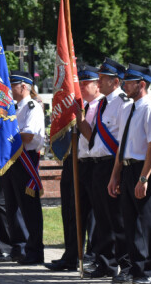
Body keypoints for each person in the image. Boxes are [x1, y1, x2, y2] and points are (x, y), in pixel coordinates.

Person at [75, 58, 132, 281]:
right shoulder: (102, 104)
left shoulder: (123, 103)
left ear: (115, 81)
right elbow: (94, 137)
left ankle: (126, 265)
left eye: (102, 79)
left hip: (112, 163)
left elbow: (121, 140)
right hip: (97, 165)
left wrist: (116, 172)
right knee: (102, 218)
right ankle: (106, 263)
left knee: (117, 218)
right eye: (98, 78)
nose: (98, 82)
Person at [108, 63, 151, 284]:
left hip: (143, 168)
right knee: (129, 222)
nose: (124, 84)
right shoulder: (126, 109)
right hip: (127, 167)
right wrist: (115, 175)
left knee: (147, 222)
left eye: (129, 81)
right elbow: (121, 146)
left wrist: (144, 178)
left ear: (142, 84)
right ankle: (135, 268)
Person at [45, 65, 101, 272]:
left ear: (98, 86)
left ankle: (91, 254)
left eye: (87, 84)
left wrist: (79, 116)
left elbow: (95, 138)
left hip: (92, 163)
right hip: (72, 159)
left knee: (92, 214)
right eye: (81, 84)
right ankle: (71, 254)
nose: (83, 88)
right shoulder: (74, 105)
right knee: (71, 210)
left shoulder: (100, 107)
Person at [1, 70, 45, 265]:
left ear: (24, 86)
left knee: (29, 209)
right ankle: (18, 248)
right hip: (11, 160)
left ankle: (34, 251)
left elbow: (27, 136)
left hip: (25, 160)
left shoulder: (32, 107)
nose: (9, 90)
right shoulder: (12, 107)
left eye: (12, 85)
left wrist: (5, 137)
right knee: (12, 207)